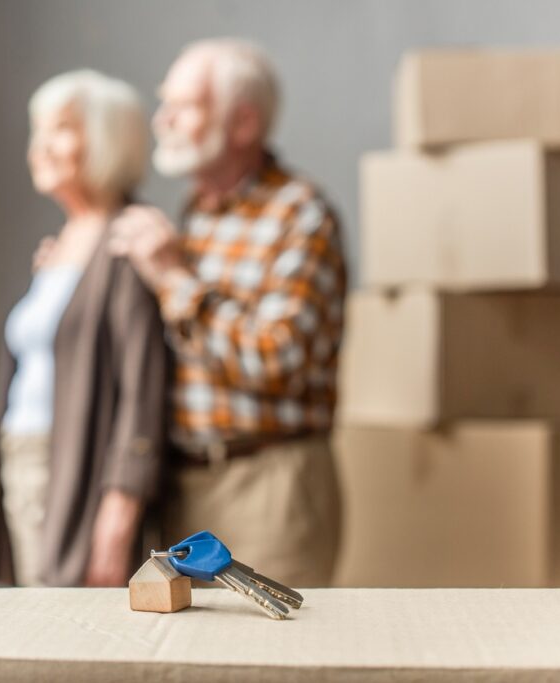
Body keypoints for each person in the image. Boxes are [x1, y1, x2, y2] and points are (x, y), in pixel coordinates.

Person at [111, 39, 347, 586]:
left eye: (185, 105)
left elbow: (278, 359)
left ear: (242, 124)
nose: (162, 119)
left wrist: (174, 279)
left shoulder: (302, 215)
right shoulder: (195, 213)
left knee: (265, 663)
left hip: (269, 483)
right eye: (163, 102)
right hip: (183, 484)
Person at [0, 70, 168, 588]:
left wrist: (118, 512)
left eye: (60, 129)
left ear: (106, 139)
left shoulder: (129, 239)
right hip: (27, 458)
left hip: (72, 470)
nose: (41, 146)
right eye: (37, 130)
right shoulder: (65, 241)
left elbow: (141, 390)